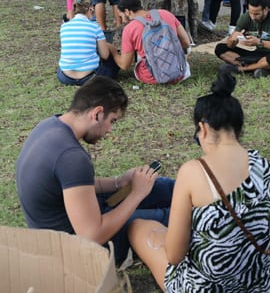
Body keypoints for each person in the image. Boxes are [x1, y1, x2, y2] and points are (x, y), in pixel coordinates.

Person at [128, 66, 270, 291]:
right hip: (261, 284)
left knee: (139, 228)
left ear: (203, 129)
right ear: (238, 128)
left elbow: (175, 255)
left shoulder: (194, 172)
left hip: (203, 287)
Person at [16, 76, 175, 266]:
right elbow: (92, 236)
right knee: (170, 216)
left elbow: (75, 187)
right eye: (112, 121)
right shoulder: (71, 157)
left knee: (160, 186)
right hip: (75, 248)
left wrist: (119, 181)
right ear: (98, 113)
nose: (109, 130)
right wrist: (137, 195)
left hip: (71, 221)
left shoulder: (50, 126)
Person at [109, 0, 191, 84]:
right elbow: (186, 42)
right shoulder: (166, 13)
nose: (123, 21)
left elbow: (125, 65)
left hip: (152, 77)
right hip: (179, 73)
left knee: (141, 58)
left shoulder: (129, 29)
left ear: (127, 11)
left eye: (122, 16)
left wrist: (113, 51)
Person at [215, 0, 270, 78]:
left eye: (257, 14)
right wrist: (232, 40)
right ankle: (259, 68)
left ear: (265, 9)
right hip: (253, 53)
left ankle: (242, 69)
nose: (253, 17)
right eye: (251, 13)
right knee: (220, 48)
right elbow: (230, 45)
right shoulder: (245, 17)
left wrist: (260, 42)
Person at [57, 0, 119, 86]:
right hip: (90, 77)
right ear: (90, 9)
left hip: (66, 77)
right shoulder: (94, 27)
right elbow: (105, 55)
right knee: (111, 61)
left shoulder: (64, 26)